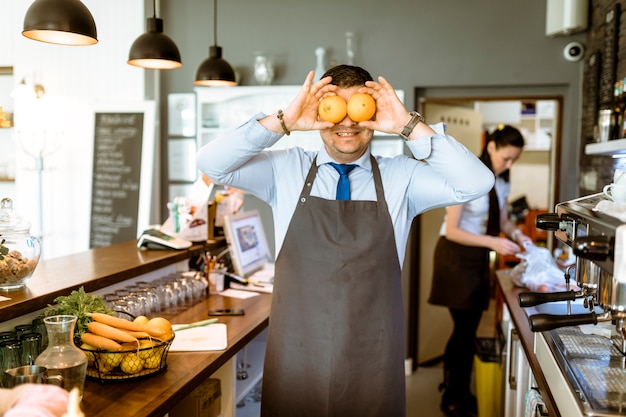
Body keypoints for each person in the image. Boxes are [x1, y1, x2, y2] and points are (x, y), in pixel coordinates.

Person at [196, 64, 494, 417]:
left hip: (373, 361)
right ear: (320, 112)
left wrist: (407, 125)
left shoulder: (403, 177)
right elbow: (211, 163)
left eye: (359, 109)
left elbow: (477, 183)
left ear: (373, 113)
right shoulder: (285, 169)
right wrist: (284, 120)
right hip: (297, 358)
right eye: (336, 108)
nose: (348, 123)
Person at [428, 124, 531, 417]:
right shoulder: (469, 176)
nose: (508, 164)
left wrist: (518, 235)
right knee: (463, 330)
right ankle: (453, 396)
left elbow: (502, 220)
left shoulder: (501, 182)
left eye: (514, 160)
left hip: (475, 257)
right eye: (506, 158)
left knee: (466, 329)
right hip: (456, 256)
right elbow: (452, 230)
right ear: (491, 147)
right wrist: (494, 243)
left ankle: (456, 387)